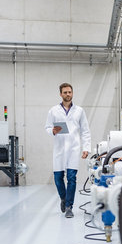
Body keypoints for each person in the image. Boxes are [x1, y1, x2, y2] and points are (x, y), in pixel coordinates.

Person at [45, 83, 91, 218]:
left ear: (73, 93)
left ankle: (69, 206)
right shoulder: (53, 111)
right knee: (58, 178)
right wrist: (52, 131)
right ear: (60, 94)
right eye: (65, 92)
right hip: (59, 149)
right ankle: (64, 199)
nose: (67, 94)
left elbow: (85, 131)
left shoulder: (79, 111)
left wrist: (86, 148)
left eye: (69, 92)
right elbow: (47, 127)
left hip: (73, 149)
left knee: (72, 178)